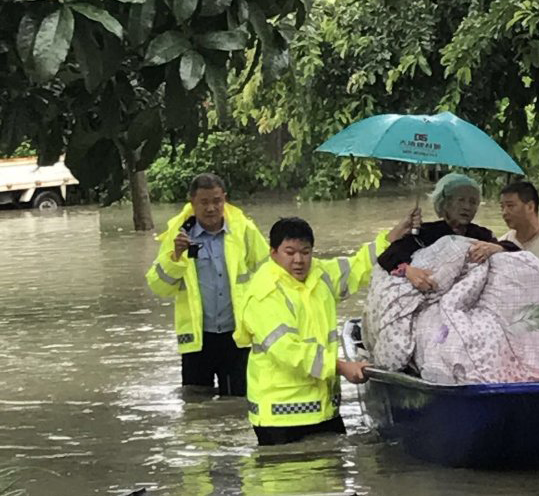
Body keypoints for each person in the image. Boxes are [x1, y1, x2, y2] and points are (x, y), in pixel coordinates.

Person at [238, 215, 410, 446]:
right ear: (273, 253)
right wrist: (341, 367)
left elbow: (358, 267)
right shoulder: (264, 293)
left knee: (332, 478)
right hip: (279, 417)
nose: (299, 260)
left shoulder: (320, 275)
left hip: (323, 409)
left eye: (306, 252)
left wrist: (391, 238)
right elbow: (291, 352)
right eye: (290, 253)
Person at [146, 172, 269, 395]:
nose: (211, 208)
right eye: (204, 202)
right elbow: (158, 287)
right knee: (195, 410)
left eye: (217, 201)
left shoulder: (243, 230)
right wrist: (175, 257)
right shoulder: (179, 235)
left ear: (225, 199)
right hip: (198, 339)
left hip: (237, 336)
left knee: (237, 405)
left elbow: (269, 271)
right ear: (192, 202)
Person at [377, 172, 518, 289]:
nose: (467, 207)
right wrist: (408, 271)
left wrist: (496, 248)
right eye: (461, 200)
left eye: (473, 202)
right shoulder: (425, 233)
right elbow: (387, 256)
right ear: (445, 204)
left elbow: (514, 252)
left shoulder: (482, 234)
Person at [498, 181, 539, 270]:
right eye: (502, 207)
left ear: (530, 207)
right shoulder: (502, 245)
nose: (504, 213)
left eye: (510, 206)